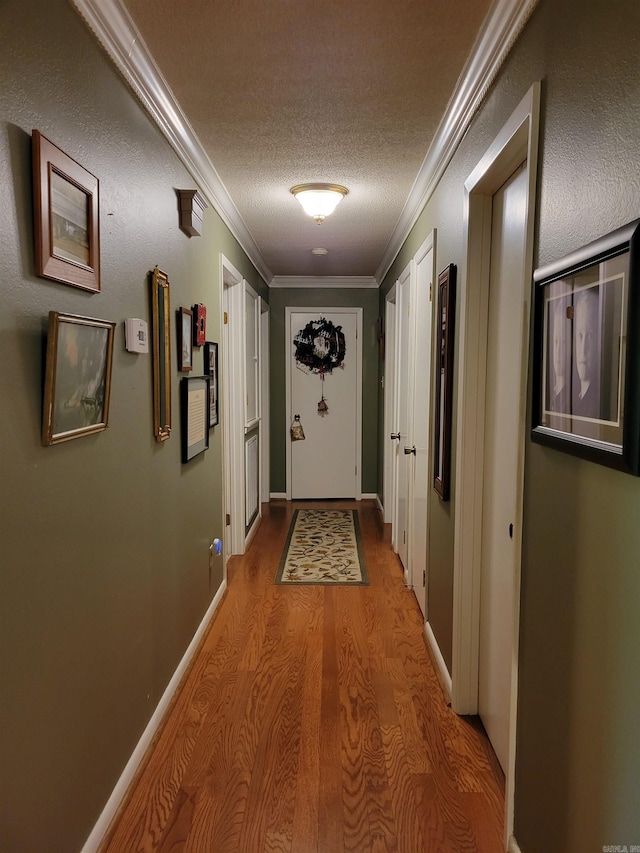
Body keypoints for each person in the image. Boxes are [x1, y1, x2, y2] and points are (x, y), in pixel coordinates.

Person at [572, 286, 600, 419]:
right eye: (580, 336)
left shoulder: (597, 402)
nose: (583, 348)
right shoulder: (572, 395)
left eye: (590, 336)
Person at [548, 296, 570, 414]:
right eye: (555, 342)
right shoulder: (550, 389)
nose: (558, 351)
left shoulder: (571, 395)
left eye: (563, 342)